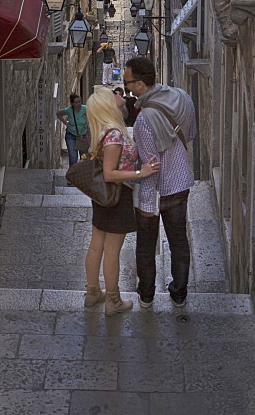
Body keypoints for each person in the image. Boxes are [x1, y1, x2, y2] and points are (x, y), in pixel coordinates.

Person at [124, 56, 196, 309]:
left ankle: (146, 294)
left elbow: (150, 166)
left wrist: (146, 202)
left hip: (154, 192)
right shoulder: (182, 97)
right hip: (180, 182)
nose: (127, 89)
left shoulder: (144, 120)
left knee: (145, 245)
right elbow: (190, 133)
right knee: (178, 241)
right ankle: (179, 294)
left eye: (128, 83)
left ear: (141, 84)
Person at [83, 88, 159, 315]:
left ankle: (93, 292)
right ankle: (113, 301)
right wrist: (141, 173)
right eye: (114, 93)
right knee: (112, 250)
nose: (119, 94)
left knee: (97, 245)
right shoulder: (115, 135)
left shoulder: (103, 130)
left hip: (103, 197)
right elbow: (109, 174)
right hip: (116, 196)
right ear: (108, 103)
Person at [56, 93, 89, 168]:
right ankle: (72, 174)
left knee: (83, 157)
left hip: (83, 136)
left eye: (80, 101)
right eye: (76, 102)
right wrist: (66, 124)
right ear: (72, 103)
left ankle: (82, 173)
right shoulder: (69, 110)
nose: (79, 104)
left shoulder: (85, 109)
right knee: (73, 156)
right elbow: (58, 114)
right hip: (71, 135)